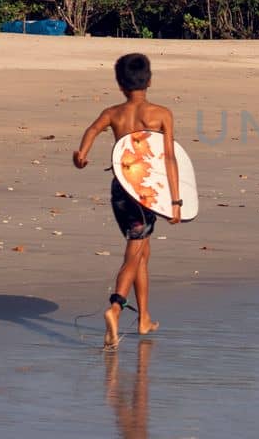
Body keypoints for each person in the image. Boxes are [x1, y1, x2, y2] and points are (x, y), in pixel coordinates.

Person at [73, 53, 182, 348]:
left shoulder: (113, 113)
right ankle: (116, 308)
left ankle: (144, 317)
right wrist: (176, 201)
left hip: (120, 190)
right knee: (134, 253)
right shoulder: (161, 114)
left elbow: (92, 129)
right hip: (145, 192)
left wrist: (82, 154)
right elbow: (170, 158)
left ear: (120, 83)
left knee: (142, 252)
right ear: (150, 80)